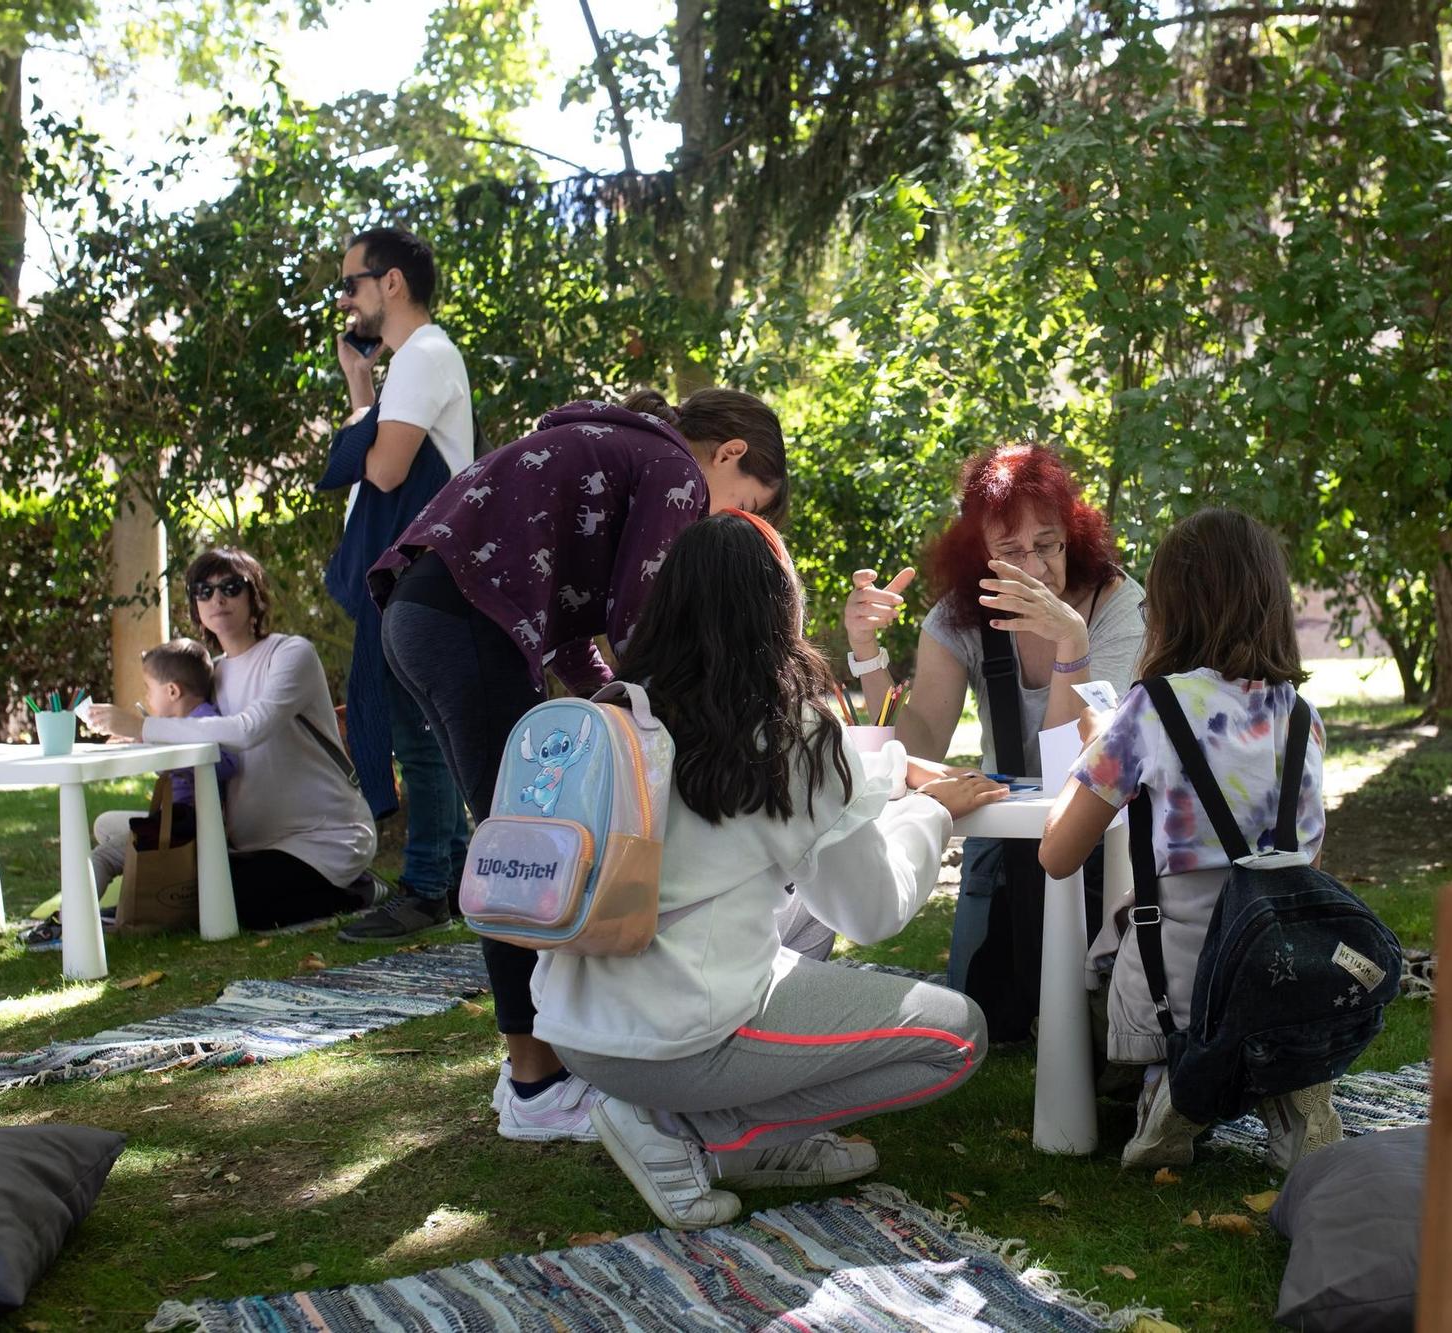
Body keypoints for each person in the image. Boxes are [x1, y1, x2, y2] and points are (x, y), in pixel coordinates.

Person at [534, 511, 1001, 1229]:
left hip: (572, 1029)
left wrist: (889, 772)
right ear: (780, 611)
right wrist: (931, 813)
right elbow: (870, 914)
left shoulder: (617, 709)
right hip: (680, 1040)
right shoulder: (792, 731)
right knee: (957, 1035)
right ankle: (701, 1136)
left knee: (783, 938)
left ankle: (685, 1126)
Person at [367, 387, 788, 1143]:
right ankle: (538, 1086)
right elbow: (639, 618)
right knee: (521, 852)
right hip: (466, 623)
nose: (715, 524)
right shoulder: (672, 468)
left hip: (422, 613)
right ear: (729, 455)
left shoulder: (609, 446)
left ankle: (529, 1067)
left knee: (519, 838)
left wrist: (620, 705)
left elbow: (574, 640)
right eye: (738, 504)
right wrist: (689, 717)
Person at [1038, 508, 1341, 1171]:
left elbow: (1057, 853)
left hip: (1176, 988)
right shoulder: (1303, 718)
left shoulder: (1150, 709)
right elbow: (1308, 864)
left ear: (1171, 611)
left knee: (1099, 964)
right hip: (1284, 976)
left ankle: (1167, 1084)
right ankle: (1283, 1089)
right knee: (1247, 976)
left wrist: (1092, 754)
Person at [843, 442, 1146, 1039]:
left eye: (1047, 544)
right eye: (1010, 550)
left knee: (1096, 1022)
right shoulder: (959, 616)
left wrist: (1071, 646)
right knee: (983, 1020)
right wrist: (866, 653)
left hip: (1102, 831)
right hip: (1002, 835)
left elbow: (1076, 760)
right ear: (978, 552)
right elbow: (910, 747)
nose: (1033, 568)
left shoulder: (1117, 606)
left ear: (1073, 534)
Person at [85, 549, 381, 929]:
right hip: (244, 845)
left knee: (224, 903)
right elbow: (197, 735)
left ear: (253, 595)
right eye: (203, 591)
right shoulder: (213, 674)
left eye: (230, 587)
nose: (217, 599)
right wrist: (139, 742)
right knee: (115, 830)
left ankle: (360, 890)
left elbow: (248, 729)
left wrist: (143, 728)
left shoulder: (290, 654)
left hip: (321, 839)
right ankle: (124, 908)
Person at [317, 226, 474, 942]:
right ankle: (457, 872)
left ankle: (426, 887)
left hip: (415, 570)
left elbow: (381, 471)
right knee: (424, 731)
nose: (344, 300)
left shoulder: (426, 355)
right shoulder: (412, 363)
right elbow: (383, 459)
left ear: (393, 284)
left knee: (416, 733)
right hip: (412, 568)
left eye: (351, 283)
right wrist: (360, 386)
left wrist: (370, 403)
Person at [86, 638, 240, 901]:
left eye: (149, 689)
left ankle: (67, 925)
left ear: (172, 691)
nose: (146, 697)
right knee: (105, 824)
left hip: (189, 826)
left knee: (100, 859)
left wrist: (166, 751)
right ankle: (149, 892)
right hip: (172, 817)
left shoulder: (204, 721)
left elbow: (225, 763)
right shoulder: (180, 722)